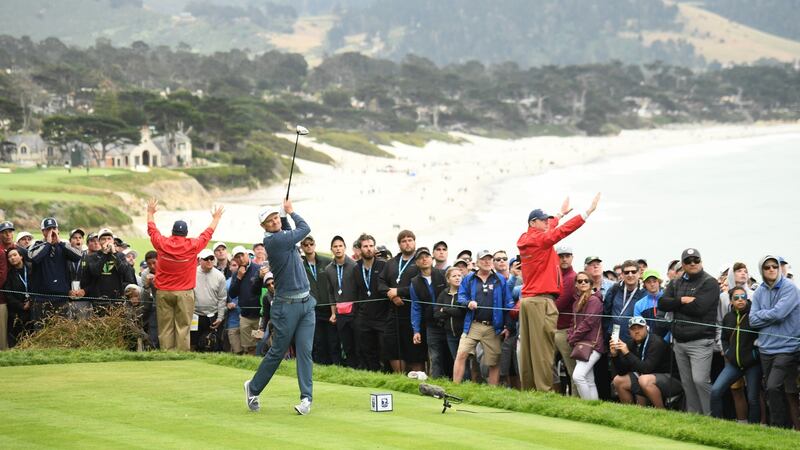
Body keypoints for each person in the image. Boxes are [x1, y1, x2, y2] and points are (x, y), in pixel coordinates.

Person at [516, 193, 600, 392]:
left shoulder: (527, 238)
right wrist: (586, 213)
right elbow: (560, 232)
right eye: (543, 220)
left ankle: (529, 389)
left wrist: (559, 214)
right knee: (544, 350)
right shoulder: (540, 240)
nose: (547, 223)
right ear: (533, 222)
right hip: (541, 301)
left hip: (529, 301)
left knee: (529, 350)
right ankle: (543, 390)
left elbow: (551, 228)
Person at [244, 199, 316, 416]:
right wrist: (291, 212)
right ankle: (253, 387)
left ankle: (306, 399)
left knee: (305, 352)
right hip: (286, 306)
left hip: (306, 303)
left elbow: (286, 228)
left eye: (276, 217)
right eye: (269, 220)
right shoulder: (274, 242)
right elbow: (305, 229)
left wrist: (283, 215)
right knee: (277, 352)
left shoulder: (281, 235)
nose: (275, 221)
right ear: (263, 226)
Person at [147, 199, 224, 351]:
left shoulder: (162, 243)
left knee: (165, 327)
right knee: (183, 327)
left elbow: (152, 229)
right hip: (184, 293)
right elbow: (207, 233)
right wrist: (216, 218)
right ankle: (181, 357)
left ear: (172, 232)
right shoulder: (192, 245)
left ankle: (167, 354)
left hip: (163, 292)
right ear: (186, 233)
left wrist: (150, 213)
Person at [658, 248, 720, 415]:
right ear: (683, 264)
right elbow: (662, 303)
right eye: (688, 261)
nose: (692, 263)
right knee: (687, 382)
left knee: (700, 380)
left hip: (701, 341)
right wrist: (683, 300)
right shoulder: (676, 282)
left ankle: (710, 416)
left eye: (696, 260)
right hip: (679, 341)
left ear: (701, 261)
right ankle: (694, 416)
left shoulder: (710, 282)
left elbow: (700, 308)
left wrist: (675, 304)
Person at [749, 255, 800, 429]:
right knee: (773, 390)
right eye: (767, 267)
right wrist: (771, 314)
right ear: (761, 270)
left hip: (787, 348)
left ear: (779, 268)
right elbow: (752, 321)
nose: (771, 269)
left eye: (774, 266)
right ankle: (783, 426)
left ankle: (779, 426)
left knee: (773, 387)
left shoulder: (789, 288)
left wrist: (764, 314)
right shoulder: (759, 292)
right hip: (765, 349)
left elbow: (780, 314)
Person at [453, 250, 514, 385]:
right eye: (483, 259)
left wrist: (508, 326)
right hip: (473, 324)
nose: (487, 262)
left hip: (493, 326)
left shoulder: (500, 279)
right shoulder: (469, 278)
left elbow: (508, 304)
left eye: (489, 259)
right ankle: (454, 387)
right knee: (461, 354)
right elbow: (461, 296)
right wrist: (467, 302)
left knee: (494, 361)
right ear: (478, 262)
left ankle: (492, 392)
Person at [711, 286, 761, 423]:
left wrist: (754, 355)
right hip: (733, 364)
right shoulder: (728, 317)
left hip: (752, 364)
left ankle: (753, 429)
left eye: (743, 297)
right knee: (715, 391)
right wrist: (728, 353)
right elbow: (724, 338)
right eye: (736, 298)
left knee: (753, 398)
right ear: (731, 301)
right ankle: (716, 425)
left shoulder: (754, 315)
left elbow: (762, 337)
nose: (740, 300)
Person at [378, 230, 425, 374]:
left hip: (413, 313)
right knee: (393, 348)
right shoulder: (391, 263)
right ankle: (400, 379)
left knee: (414, 351)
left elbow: (421, 283)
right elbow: (380, 282)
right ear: (399, 244)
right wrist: (391, 294)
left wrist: (399, 292)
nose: (407, 243)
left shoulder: (420, 261)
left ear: (415, 242)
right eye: (404, 241)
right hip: (393, 312)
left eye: (410, 240)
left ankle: (417, 381)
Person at [611, 316, 682, 408]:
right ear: (629, 332)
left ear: (646, 328)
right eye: (633, 329)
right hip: (648, 379)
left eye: (640, 328)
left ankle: (661, 412)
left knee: (644, 379)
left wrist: (627, 353)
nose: (636, 331)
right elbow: (622, 372)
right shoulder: (630, 343)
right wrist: (615, 355)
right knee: (618, 380)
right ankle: (629, 413)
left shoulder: (656, 342)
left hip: (673, 380)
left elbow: (647, 369)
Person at [28, 217, 83, 323]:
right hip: (41, 299)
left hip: (61, 298)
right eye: (48, 229)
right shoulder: (37, 245)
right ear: (43, 232)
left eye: (54, 228)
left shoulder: (63, 246)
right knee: (41, 332)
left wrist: (60, 243)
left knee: (61, 332)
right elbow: (34, 258)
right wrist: (48, 244)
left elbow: (77, 256)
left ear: (58, 230)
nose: (51, 232)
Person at [410, 247, 448, 378]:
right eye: (421, 258)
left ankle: (455, 385)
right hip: (431, 325)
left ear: (431, 259)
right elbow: (416, 307)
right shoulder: (414, 282)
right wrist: (416, 330)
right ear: (417, 262)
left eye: (426, 256)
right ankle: (437, 385)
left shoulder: (443, 274)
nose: (424, 259)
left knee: (451, 356)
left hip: (448, 322)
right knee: (435, 357)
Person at [567, 271, 605, 399]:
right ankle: (594, 408)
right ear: (576, 285)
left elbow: (588, 323)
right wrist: (570, 335)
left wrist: (573, 338)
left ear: (590, 283)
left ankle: (587, 405)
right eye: (579, 281)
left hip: (593, 345)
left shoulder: (594, 300)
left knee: (578, 376)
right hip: (581, 345)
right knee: (589, 380)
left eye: (586, 281)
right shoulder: (576, 302)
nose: (583, 283)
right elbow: (573, 322)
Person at [354, 233, 387, 372]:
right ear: (360, 249)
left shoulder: (383, 265)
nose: (368, 249)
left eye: (371, 246)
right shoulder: (356, 268)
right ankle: (374, 376)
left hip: (383, 316)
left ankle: (387, 377)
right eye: (365, 246)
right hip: (364, 317)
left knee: (384, 350)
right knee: (368, 350)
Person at [325, 235, 359, 368]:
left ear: (345, 248)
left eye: (340, 246)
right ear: (331, 249)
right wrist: (333, 313)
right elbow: (331, 293)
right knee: (346, 344)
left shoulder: (354, 265)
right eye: (335, 246)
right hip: (340, 313)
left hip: (355, 312)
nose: (338, 249)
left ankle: (361, 370)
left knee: (358, 343)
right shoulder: (328, 269)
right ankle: (351, 370)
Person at [86, 228, 136, 306]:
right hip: (99, 300)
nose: (107, 241)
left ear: (113, 241)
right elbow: (95, 272)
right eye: (103, 239)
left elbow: (123, 270)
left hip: (116, 299)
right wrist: (105, 254)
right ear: (99, 242)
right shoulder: (93, 257)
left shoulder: (120, 255)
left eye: (109, 239)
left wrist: (114, 254)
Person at [229, 246, 263, 355]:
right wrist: (239, 277)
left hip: (259, 316)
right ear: (234, 260)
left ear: (247, 255)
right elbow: (232, 294)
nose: (241, 259)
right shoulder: (236, 274)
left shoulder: (259, 269)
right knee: (249, 347)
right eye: (237, 257)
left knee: (260, 344)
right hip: (245, 316)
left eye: (242, 255)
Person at [553, 245, 578, 394]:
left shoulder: (572, 277)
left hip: (566, 330)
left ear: (572, 257)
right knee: (546, 365)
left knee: (572, 369)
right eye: (561, 256)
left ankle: (576, 400)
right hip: (554, 327)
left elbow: (559, 304)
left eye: (567, 256)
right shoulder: (556, 275)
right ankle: (555, 396)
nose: (564, 259)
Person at [603, 260, 646, 344]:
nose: (630, 275)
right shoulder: (614, 289)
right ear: (622, 274)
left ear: (639, 274)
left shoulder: (644, 293)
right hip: (613, 337)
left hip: (634, 340)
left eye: (633, 272)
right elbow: (605, 313)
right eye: (626, 272)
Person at [193, 249, 227, 352]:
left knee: (212, 343)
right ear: (199, 260)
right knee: (194, 343)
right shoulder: (192, 273)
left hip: (212, 315)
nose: (209, 261)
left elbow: (222, 298)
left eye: (211, 258)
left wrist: (220, 317)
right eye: (206, 259)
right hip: (194, 314)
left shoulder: (219, 276)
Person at [434, 267, 466, 375]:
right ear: (448, 279)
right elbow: (437, 313)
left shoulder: (464, 293)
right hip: (450, 334)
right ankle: (459, 385)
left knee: (465, 361)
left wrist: (446, 309)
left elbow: (462, 312)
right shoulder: (443, 294)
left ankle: (469, 385)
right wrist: (452, 311)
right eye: (454, 276)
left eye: (459, 276)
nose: (457, 278)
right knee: (455, 359)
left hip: (464, 333)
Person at [633, 269, 670, 341]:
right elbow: (639, 327)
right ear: (644, 284)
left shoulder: (669, 300)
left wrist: (665, 341)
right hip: (648, 342)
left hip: (667, 342)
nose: (652, 284)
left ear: (659, 282)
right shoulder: (639, 304)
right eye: (648, 282)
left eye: (654, 281)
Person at [139, 250, 159, 349]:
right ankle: (152, 348)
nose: (152, 266)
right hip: (151, 304)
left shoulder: (164, 271)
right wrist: (147, 285)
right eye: (149, 264)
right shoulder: (145, 274)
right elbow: (145, 294)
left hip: (165, 303)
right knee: (153, 327)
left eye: (154, 263)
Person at [224, 258, 242, 354]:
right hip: (232, 322)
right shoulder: (226, 283)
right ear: (230, 267)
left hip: (246, 320)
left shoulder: (249, 281)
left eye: (238, 265)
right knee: (237, 351)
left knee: (248, 350)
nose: (236, 267)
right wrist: (227, 304)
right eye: (234, 265)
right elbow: (221, 301)